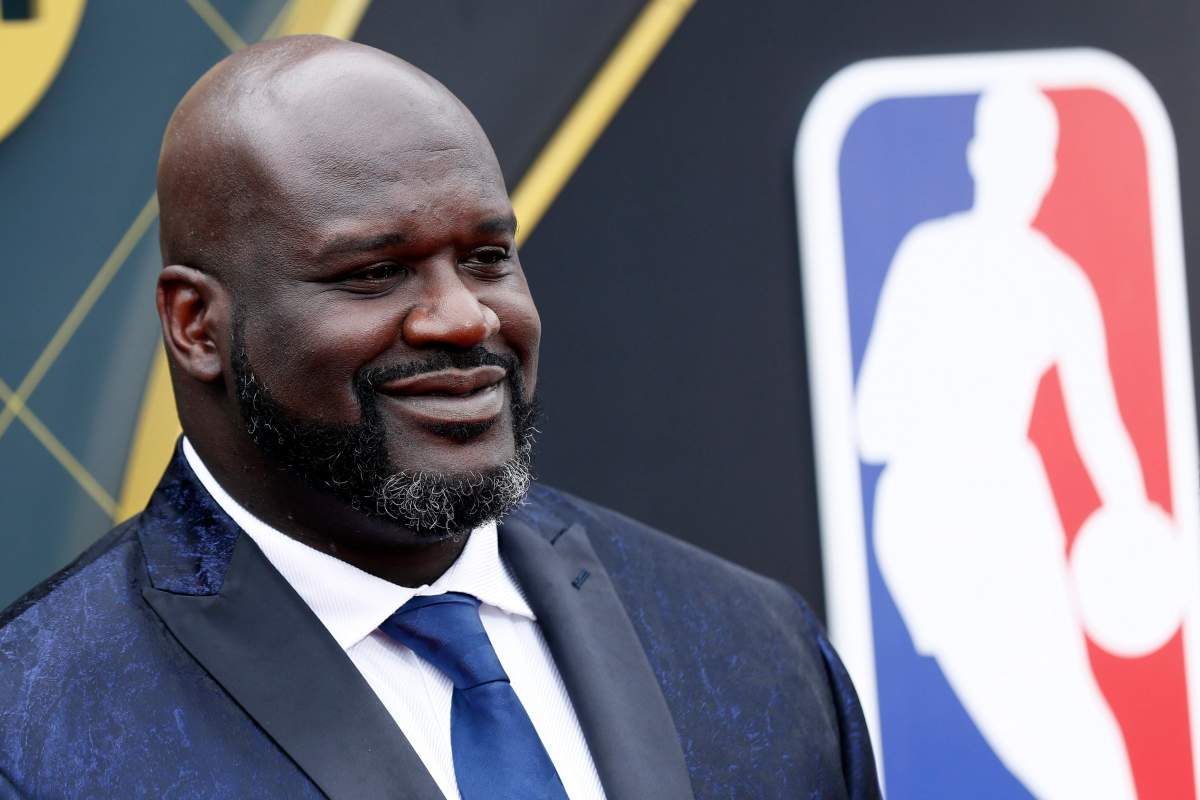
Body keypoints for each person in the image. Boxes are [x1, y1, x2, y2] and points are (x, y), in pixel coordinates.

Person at [0, 36, 879, 800]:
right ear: (197, 326)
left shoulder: (754, 650)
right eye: (374, 273)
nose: (464, 318)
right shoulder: (35, 730)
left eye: (488, 257)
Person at [857, 83, 1178, 799]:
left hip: (1011, 511)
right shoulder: (929, 257)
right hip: (933, 520)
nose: (1024, 172)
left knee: (1082, 743)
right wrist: (955, 402)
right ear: (979, 155)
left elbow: (1101, 427)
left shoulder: (1061, 283)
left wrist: (1134, 527)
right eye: (1010, 150)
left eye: (1037, 156)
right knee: (1056, 740)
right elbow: (871, 423)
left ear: (1050, 167)